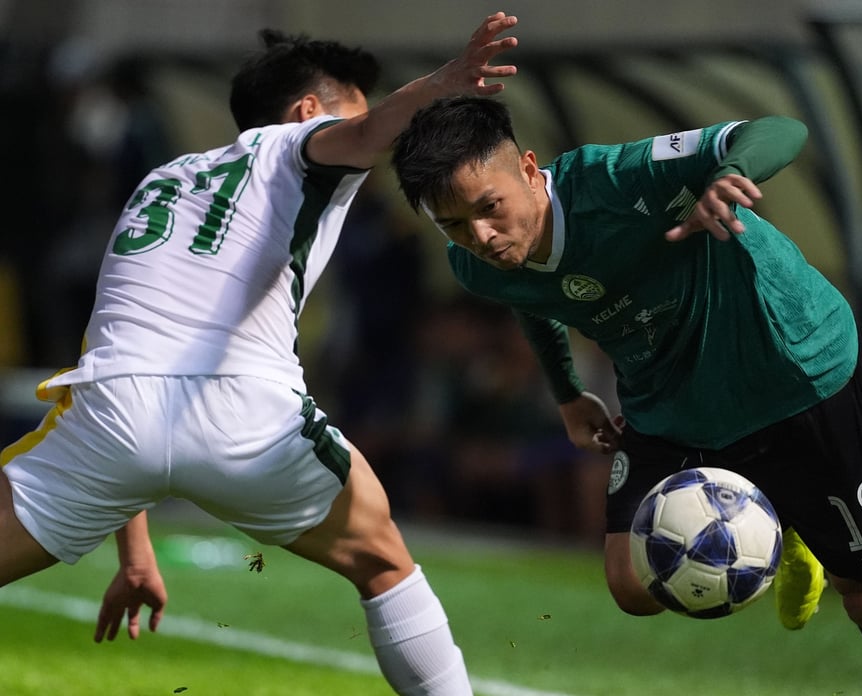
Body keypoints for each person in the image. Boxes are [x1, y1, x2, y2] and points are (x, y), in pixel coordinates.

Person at [0, 14, 518, 695]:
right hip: (245, 412)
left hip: (111, 412)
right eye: (350, 111)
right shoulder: (295, 142)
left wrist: (135, 552)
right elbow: (364, 134)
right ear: (306, 111)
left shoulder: (163, 180)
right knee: (385, 563)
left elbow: (130, 346)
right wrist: (445, 82)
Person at [391, 96, 862, 695]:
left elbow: (779, 129)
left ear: (529, 169)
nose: (479, 235)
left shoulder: (618, 178)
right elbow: (529, 297)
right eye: (452, 224)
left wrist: (731, 175)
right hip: (668, 398)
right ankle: (780, 520)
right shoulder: (474, 263)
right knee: (632, 585)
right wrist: (569, 395)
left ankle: (793, 522)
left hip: (790, 369)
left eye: (489, 207)